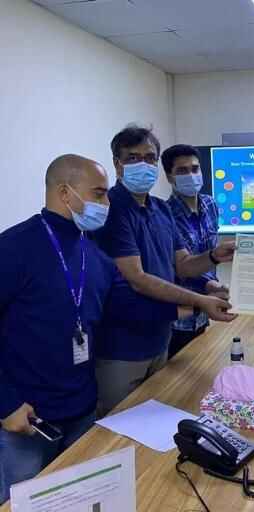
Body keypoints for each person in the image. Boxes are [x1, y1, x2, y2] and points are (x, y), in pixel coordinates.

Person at [94, 126, 236, 416]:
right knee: (121, 427)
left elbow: (182, 265)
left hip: (160, 338)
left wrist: (213, 256)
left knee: (158, 420)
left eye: (149, 158)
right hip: (122, 347)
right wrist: (200, 301)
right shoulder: (112, 209)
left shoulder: (161, 209)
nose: (143, 164)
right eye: (133, 158)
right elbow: (137, 278)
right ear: (117, 165)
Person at [0, 155, 116, 504]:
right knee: (24, 505)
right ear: (65, 193)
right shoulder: (13, 248)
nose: (106, 204)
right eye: (99, 194)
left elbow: (124, 309)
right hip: (27, 420)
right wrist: (5, 404)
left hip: (82, 411)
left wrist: (197, 303)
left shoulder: (92, 253)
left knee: (78, 503)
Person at [162, 144, 228, 359]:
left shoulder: (210, 205)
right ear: (169, 176)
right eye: (182, 171)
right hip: (178, 319)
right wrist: (210, 285)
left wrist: (214, 285)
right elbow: (178, 267)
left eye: (194, 169)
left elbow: (208, 256)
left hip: (205, 312)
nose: (191, 175)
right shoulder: (164, 214)